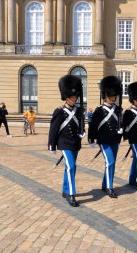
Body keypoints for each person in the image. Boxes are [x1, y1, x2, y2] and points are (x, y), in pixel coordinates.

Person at [48, 75, 85, 207]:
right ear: (66, 97)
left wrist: (82, 131)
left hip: (75, 143)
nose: (74, 99)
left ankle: (65, 189)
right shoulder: (60, 111)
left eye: (75, 97)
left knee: (70, 168)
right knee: (71, 166)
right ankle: (71, 194)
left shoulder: (79, 111)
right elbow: (54, 129)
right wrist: (51, 145)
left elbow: (80, 125)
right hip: (64, 143)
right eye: (72, 97)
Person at [88, 76, 123, 198]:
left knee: (111, 163)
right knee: (110, 161)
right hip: (104, 140)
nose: (113, 98)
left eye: (114, 96)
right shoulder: (99, 110)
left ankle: (104, 184)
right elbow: (93, 126)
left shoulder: (118, 109)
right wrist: (91, 139)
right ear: (105, 95)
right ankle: (109, 186)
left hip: (115, 140)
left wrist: (122, 130)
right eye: (111, 96)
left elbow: (121, 122)